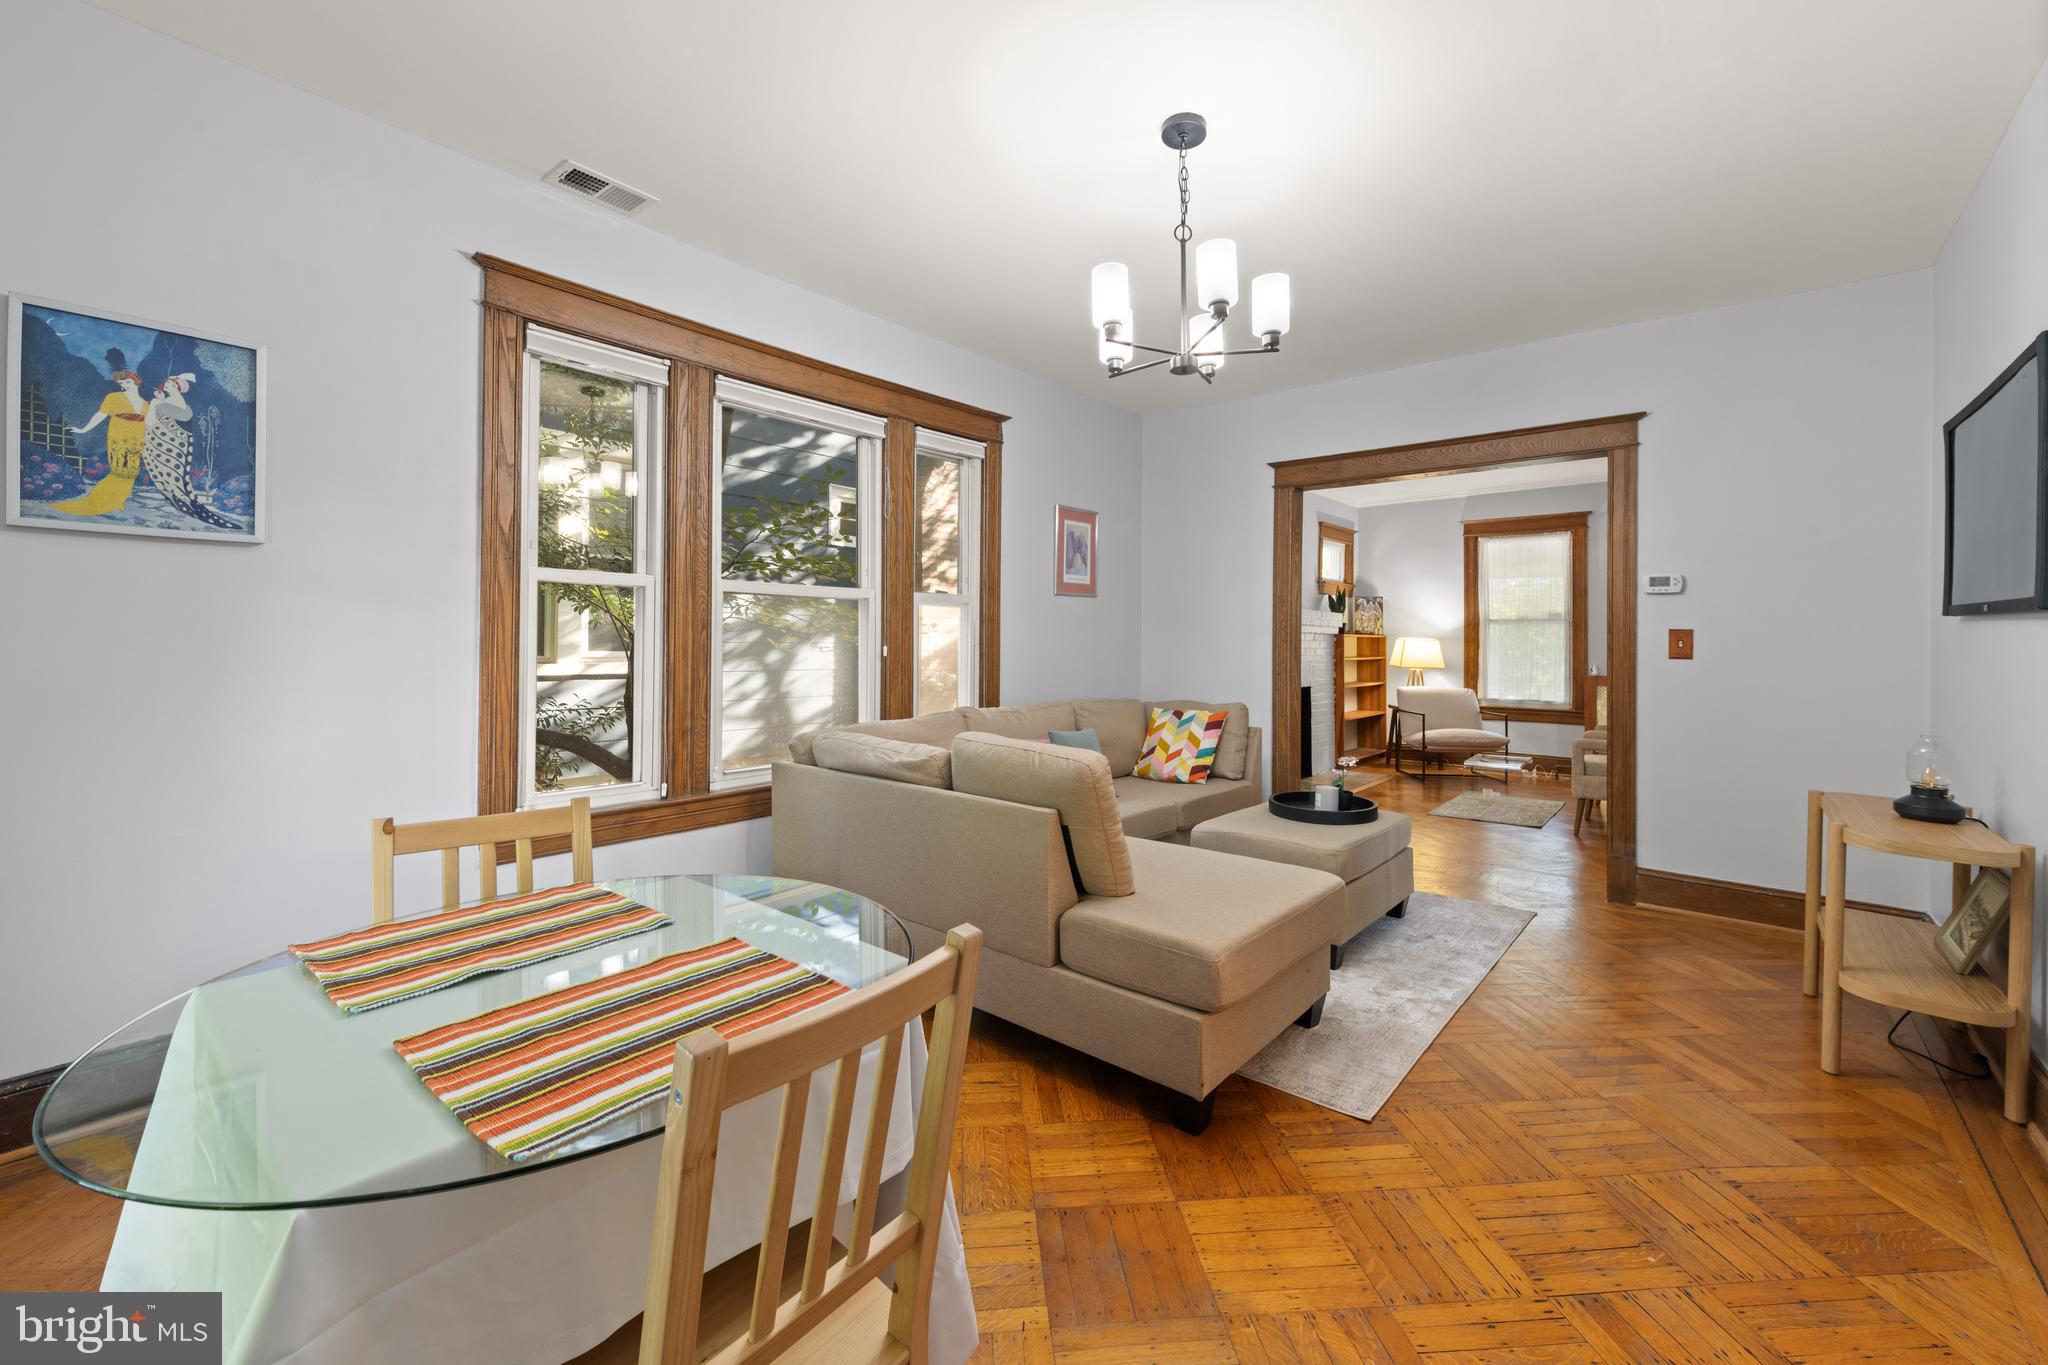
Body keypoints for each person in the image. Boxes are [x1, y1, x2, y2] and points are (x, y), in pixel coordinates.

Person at [140, 373, 238, 529]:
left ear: (177, 386)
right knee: (176, 479)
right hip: (172, 443)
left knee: (173, 476)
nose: (166, 386)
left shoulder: (169, 402)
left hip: (171, 445)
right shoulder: (172, 401)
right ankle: (184, 500)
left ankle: (184, 500)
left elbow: (152, 421)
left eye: (170, 384)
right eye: (166, 384)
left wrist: (154, 404)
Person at [49, 371, 148, 516]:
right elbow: (100, 415)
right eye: (122, 383)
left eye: (127, 382)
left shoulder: (145, 404)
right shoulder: (114, 398)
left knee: (131, 472)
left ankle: (117, 501)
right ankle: (100, 502)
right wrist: (83, 430)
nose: (125, 385)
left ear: (136, 382)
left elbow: (148, 424)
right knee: (119, 471)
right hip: (120, 435)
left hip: (137, 439)